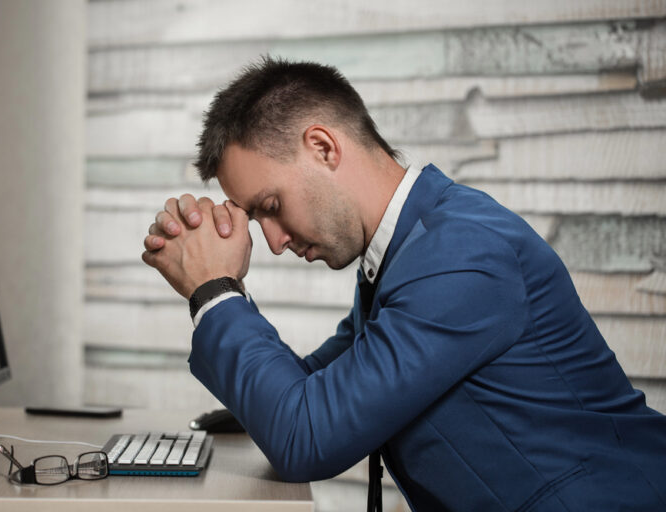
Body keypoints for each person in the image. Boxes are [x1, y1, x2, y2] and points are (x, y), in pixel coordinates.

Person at [141, 58, 666, 511]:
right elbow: (315, 391)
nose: (274, 243)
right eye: (256, 220)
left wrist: (214, 291)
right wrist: (220, 289)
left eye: (271, 206)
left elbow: (305, 433)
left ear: (323, 147)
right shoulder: (405, 255)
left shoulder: (461, 253)